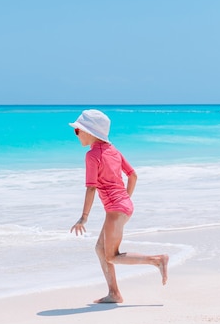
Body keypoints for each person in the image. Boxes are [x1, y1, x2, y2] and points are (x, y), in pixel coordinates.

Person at [69, 109, 169, 303]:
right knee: (101, 249)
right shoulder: (113, 150)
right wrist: (125, 199)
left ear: (89, 131)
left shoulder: (92, 156)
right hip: (122, 207)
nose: (76, 134)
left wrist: (84, 217)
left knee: (112, 256)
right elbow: (133, 175)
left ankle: (157, 260)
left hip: (116, 209)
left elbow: (91, 188)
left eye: (77, 130)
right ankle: (114, 293)